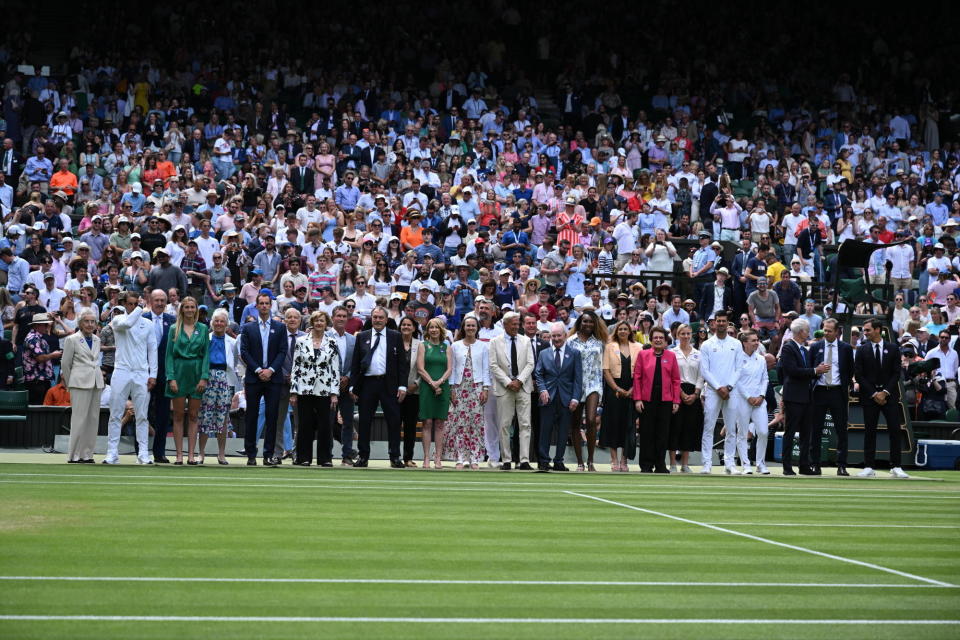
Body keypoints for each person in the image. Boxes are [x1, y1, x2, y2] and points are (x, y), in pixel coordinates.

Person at [349, 306, 408, 468]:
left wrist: (402, 386)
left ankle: (395, 456)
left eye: (381, 317)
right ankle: (363, 456)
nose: (377, 320)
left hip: (389, 384)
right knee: (364, 421)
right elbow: (355, 364)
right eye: (375, 317)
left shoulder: (396, 336)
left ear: (386, 319)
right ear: (371, 318)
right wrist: (352, 386)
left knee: (394, 421)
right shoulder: (362, 336)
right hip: (368, 384)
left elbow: (402, 364)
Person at [104, 291, 158, 465]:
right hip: (121, 371)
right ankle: (112, 452)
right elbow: (128, 323)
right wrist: (141, 307)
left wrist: (153, 375)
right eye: (130, 304)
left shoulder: (148, 324)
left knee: (142, 415)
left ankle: (143, 453)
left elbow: (152, 350)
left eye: (136, 304)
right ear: (124, 304)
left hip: (141, 373)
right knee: (115, 413)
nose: (133, 307)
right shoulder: (118, 320)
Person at [854, 317, 909, 478]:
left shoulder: (893, 348)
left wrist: (884, 392)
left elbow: (896, 373)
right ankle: (869, 466)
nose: (865, 333)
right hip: (869, 397)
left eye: (868, 330)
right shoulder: (862, 349)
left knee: (894, 430)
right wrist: (874, 393)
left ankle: (896, 466)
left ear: (878, 330)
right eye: (864, 330)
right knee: (870, 431)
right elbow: (859, 374)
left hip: (889, 397)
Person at [239, 292, 288, 466]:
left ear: (271, 305)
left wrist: (271, 370)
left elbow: (283, 351)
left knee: (272, 416)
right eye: (261, 303)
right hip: (254, 377)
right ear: (257, 306)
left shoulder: (280, 327)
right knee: (251, 416)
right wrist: (259, 369)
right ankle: (251, 454)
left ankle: (268, 454)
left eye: (267, 303)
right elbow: (244, 351)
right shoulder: (248, 328)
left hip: (274, 379)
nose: (265, 306)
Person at [779, 317, 830, 476]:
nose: (808, 333)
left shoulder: (804, 349)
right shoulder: (788, 348)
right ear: (801, 332)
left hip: (807, 396)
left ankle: (804, 465)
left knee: (806, 433)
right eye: (807, 330)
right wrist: (815, 371)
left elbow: (806, 372)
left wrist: (817, 371)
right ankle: (787, 466)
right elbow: (792, 371)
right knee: (791, 431)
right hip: (794, 396)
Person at [290, 311, 341, 466]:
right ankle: (303, 457)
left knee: (325, 425)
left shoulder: (332, 342)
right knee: (305, 424)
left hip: (325, 389)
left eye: (322, 321)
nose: (319, 323)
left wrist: (334, 393)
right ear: (312, 322)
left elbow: (335, 369)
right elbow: (296, 366)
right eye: (316, 320)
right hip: (304, 389)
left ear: (326, 323)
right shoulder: (300, 341)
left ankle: (325, 458)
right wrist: (293, 391)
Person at [165, 296, 210, 465]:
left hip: (197, 373)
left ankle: (191, 454)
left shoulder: (203, 328)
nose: (190, 310)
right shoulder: (173, 329)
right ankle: (178, 455)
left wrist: (204, 377)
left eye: (193, 307)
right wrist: (171, 377)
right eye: (187, 307)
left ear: (196, 309)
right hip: (179, 372)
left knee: (193, 415)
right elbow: (169, 355)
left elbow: (206, 354)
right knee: (177, 415)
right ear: (182, 309)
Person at [489, 311, 535, 470]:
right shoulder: (495, 342)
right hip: (504, 388)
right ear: (505, 324)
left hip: (523, 387)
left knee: (525, 424)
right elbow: (493, 365)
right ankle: (507, 460)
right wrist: (509, 382)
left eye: (517, 324)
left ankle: (524, 460)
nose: (516, 327)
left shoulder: (526, 341)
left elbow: (530, 364)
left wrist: (519, 380)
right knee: (504, 424)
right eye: (513, 324)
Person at [534, 321, 583, 471]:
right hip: (547, 397)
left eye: (558, 335)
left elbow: (578, 378)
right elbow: (538, 374)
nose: (556, 339)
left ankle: (559, 461)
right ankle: (543, 460)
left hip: (566, 398)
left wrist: (575, 398)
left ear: (565, 335)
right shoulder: (543, 354)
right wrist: (542, 390)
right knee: (545, 430)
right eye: (553, 336)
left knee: (563, 431)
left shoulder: (575, 353)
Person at [809, 318, 854, 475]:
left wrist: (846, 385)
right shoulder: (815, 347)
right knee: (816, 429)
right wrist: (817, 370)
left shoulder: (846, 348)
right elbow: (810, 369)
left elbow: (850, 370)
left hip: (837, 391)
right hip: (819, 391)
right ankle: (815, 463)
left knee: (841, 429)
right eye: (824, 330)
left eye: (829, 330)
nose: (826, 333)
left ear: (837, 332)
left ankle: (841, 465)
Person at [697, 310, 741, 473]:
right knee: (709, 427)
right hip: (713, 391)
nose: (721, 323)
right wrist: (718, 387)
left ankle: (730, 463)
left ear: (728, 322)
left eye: (724, 321)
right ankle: (707, 463)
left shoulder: (736, 344)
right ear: (714, 323)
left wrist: (728, 386)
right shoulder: (707, 345)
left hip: (731, 391)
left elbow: (739, 368)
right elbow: (705, 371)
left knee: (731, 428)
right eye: (718, 321)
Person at [632, 326, 680, 473]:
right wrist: (637, 399)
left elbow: (676, 380)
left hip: (665, 400)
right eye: (655, 338)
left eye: (661, 338)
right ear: (651, 340)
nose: (658, 340)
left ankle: (660, 464)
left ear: (665, 341)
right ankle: (646, 465)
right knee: (646, 433)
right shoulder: (643, 354)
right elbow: (637, 378)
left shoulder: (671, 356)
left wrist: (676, 401)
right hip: (647, 399)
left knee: (662, 433)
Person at [446, 316, 490, 469]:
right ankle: (460, 457)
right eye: (468, 325)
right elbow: (451, 369)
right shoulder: (455, 346)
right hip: (459, 387)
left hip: (476, 387)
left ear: (477, 328)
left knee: (476, 424)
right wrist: (451, 388)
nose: (470, 328)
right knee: (459, 423)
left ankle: (475, 457)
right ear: (463, 327)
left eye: (473, 326)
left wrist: (485, 388)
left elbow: (486, 369)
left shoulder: (484, 346)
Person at [566, 310, 607, 471]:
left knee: (591, 420)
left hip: (594, 384)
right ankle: (579, 462)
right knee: (575, 423)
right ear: (579, 323)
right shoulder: (570, 341)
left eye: (591, 321)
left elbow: (602, 366)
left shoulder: (599, 342)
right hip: (575, 385)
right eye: (585, 321)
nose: (588, 324)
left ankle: (590, 460)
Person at [61, 310, 104, 463]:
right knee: (79, 419)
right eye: (87, 321)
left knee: (93, 420)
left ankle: (87, 455)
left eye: (93, 322)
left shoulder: (97, 340)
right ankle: (73, 455)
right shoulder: (71, 339)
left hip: (96, 382)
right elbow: (65, 364)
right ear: (80, 323)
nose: (90, 324)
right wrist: (70, 381)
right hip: (79, 383)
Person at [197, 308, 237, 465]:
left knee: (223, 418)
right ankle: (201, 453)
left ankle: (221, 454)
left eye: (222, 321)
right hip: (207, 379)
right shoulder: (204, 339)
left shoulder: (233, 343)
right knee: (205, 416)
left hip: (225, 380)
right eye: (216, 321)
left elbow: (236, 365)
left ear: (227, 324)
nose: (219, 324)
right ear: (212, 323)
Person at [601, 320, 641, 471]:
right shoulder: (609, 347)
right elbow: (606, 371)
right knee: (613, 424)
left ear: (630, 331)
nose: (623, 331)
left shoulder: (638, 347)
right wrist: (617, 388)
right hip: (614, 391)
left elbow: (640, 372)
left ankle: (624, 460)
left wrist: (632, 388)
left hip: (632, 389)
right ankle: (614, 459)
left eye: (626, 329)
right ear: (616, 331)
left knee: (628, 425)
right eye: (620, 329)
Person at [142, 289, 175, 463]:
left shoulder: (172, 321)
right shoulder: (141, 319)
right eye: (157, 300)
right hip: (143, 373)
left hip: (164, 375)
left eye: (163, 300)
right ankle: (140, 450)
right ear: (150, 300)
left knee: (163, 415)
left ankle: (159, 452)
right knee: (142, 413)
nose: (160, 303)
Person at [730, 330, 769, 475]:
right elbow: (737, 380)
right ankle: (746, 465)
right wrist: (748, 397)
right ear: (744, 343)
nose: (756, 342)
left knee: (763, 432)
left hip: (759, 401)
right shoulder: (738, 358)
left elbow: (765, 379)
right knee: (742, 433)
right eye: (753, 340)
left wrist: (761, 395)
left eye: (757, 340)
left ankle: (760, 464)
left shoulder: (762, 359)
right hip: (742, 400)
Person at [416, 317, 452, 469]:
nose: (434, 330)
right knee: (427, 422)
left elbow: (449, 369)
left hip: (442, 388)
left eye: (436, 327)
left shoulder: (447, 346)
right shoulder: (423, 345)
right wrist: (432, 383)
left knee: (439, 423)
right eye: (431, 327)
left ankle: (437, 458)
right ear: (428, 330)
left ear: (441, 329)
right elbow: (420, 368)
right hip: (427, 387)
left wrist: (439, 382)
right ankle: (425, 458)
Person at [670, 324, 703, 473]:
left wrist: (696, 394)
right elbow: (670, 376)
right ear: (677, 335)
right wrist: (680, 393)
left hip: (693, 393)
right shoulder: (672, 353)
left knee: (689, 428)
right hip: (676, 391)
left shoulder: (698, 354)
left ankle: (685, 464)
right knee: (675, 427)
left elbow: (702, 375)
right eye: (682, 333)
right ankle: (672, 463)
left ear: (691, 335)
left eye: (688, 333)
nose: (685, 336)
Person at [273, 307, 305, 464]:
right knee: (278, 420)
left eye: (295, 317)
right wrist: (285, 375)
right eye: (289, 317)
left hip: (301, 385)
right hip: (280, 382)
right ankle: (277, 453)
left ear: (300, 320)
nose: (292, 320)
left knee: (301, 421)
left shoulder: (306, 337)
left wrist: (296, 377)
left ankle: (297, 453)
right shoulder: (278, 337)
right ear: (284, 320)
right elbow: (275, 357)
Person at [329, 305, 357, 465]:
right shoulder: (325, 337)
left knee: (347, 422)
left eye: (343, 316)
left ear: (347, 319)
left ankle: (347, 455)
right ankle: (327, 454)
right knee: (328, 421)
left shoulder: (352, 339)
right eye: (338, 316)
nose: (340, 318)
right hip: (328, 386)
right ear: (333, 318)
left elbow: (356, 363)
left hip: (347, 387)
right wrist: (335, 378)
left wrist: (347, 377)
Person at [398, 316, 422, 467]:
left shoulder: (420, 345)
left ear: (414, 328)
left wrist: (416, 384)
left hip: (414, 392)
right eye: (403, 324)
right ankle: (394, 456)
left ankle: (408, 458)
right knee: (394, 425)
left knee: (410, 426)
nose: (406, 327)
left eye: (409, 325)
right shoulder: (394, 342)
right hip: (396, 392)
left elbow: (423, 368)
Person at [21, 313, 60, 404]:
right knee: (37, 409)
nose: (48, 326)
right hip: (36, 381)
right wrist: (53, 355)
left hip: (41, 380)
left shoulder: (39, 338)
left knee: (42, 408)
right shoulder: (33, 339)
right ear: (37, 325)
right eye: (46, 324)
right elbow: (40, 358)